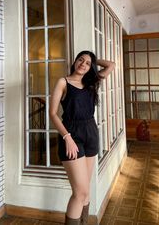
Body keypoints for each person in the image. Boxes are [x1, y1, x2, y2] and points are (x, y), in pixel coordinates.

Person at [50, 50, 115, 225]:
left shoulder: (91, 82)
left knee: (86, 191)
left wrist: (93, 61)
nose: (83, 64)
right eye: (81, 60)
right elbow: (53, 113)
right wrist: (67, 138)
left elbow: (111, 65)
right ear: (75, 61)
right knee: (79, 193)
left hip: (91, 133)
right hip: (71, 135)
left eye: (87, 63)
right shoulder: (63, 82)